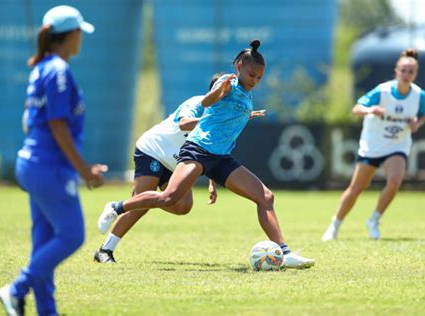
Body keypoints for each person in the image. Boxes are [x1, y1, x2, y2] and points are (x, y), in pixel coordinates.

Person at [98, 39, 316, 269]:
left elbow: (223, 124)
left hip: (218, 158)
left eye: (259, 78)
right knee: (166, 199)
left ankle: (284, 252)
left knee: (264, 197)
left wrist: (244, 117)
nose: (255, 81)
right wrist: (218, 93)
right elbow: (206, 103)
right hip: (185, 150)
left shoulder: (246, 94)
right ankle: (116, 209)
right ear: (239, 66)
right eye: (252, 75)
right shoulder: (227, 83)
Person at [0, 6, 107, 316]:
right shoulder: (58, 70)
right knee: (72, 236)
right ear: (71, 35)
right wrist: (84, 169)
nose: (80, 39)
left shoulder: (42, 67)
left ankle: (47, 311)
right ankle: (16, 289)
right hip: (49, 167)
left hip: (32, 164)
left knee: (43, 242)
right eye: (79, 33)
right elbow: (58, 125)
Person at [94, 75, 224, 263]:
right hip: (153, 150)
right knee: (140, 207)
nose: (228, 95)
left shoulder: (221, 118)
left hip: (176, 162)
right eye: (225, 91)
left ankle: (141, 199)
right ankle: (105, 251)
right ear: (214, 92)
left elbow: (211, 150)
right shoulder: (196, 103)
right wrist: (209, 120)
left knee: (183, 206)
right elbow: (184, 123)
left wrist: (212, 182)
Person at [322, 48, 425, 241]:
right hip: (372, 144)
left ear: (416, 74)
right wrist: (372, 109)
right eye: (403, 70)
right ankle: (334, 225)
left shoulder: (419, 95)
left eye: (410, 72)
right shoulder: (383, 91)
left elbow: (423, 115)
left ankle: (374, 219)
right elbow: (356, 108)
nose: (406, 75)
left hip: (397, 145)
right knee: (356, 188)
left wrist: (417, 123)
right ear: (396, 71)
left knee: (395, 181)